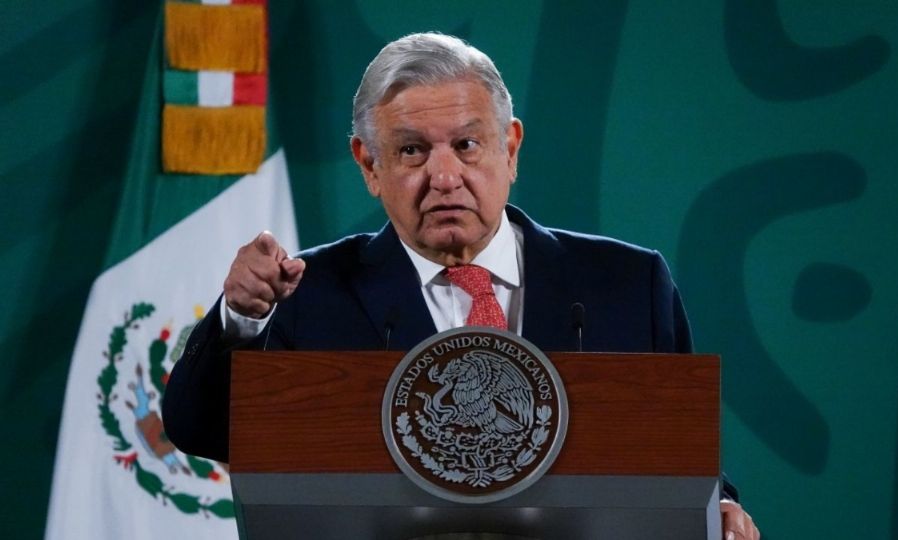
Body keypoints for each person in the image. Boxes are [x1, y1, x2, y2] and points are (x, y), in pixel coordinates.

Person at [162, 32, 759, 540]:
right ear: (369, 166)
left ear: (511, 148)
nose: (444, 177)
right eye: (412, 151)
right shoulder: (309, 294)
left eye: (467, 145)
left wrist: (722, 508)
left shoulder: (627, 284)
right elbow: (198, 429)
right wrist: (239, 318)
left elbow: (681, 454)